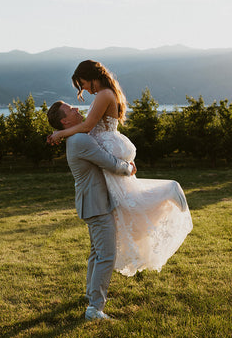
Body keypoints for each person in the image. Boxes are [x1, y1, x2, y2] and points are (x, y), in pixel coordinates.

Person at [48, 60, 193, 277]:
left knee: (127, 201)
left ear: (91, 76)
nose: (84, 89)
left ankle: (169, 190)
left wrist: (60, 133)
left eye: (83, 84)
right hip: (108, 143)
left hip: (107, 144)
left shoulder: (104, 94)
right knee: (125, 200)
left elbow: (87, 127)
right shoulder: (106, 92)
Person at [47, 100, 137, 321]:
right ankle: (95, 309)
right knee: (106, 255)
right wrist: (129, 168)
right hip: (95, 205)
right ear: (64, 121)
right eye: (71, 109)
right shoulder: (79, 140)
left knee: (97, 252)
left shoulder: (76, 137)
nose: (77, 109)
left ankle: (90, 294)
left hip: (92, 203)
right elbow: (109, 162)